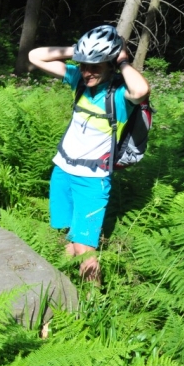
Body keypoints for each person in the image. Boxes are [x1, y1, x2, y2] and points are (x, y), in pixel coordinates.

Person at [28, 25, 150, 281]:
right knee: (68, 235)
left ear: (110, 65)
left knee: (85, 248)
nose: (87, 72)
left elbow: (140, 91)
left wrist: (123, 60)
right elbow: (35, 56)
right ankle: (64, 287)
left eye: (96, 66)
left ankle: (94, 299)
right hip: (62, 169)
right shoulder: (79, 80)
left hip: (92, 179)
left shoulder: (120, 95)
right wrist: (79, 52)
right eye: (84, 65)